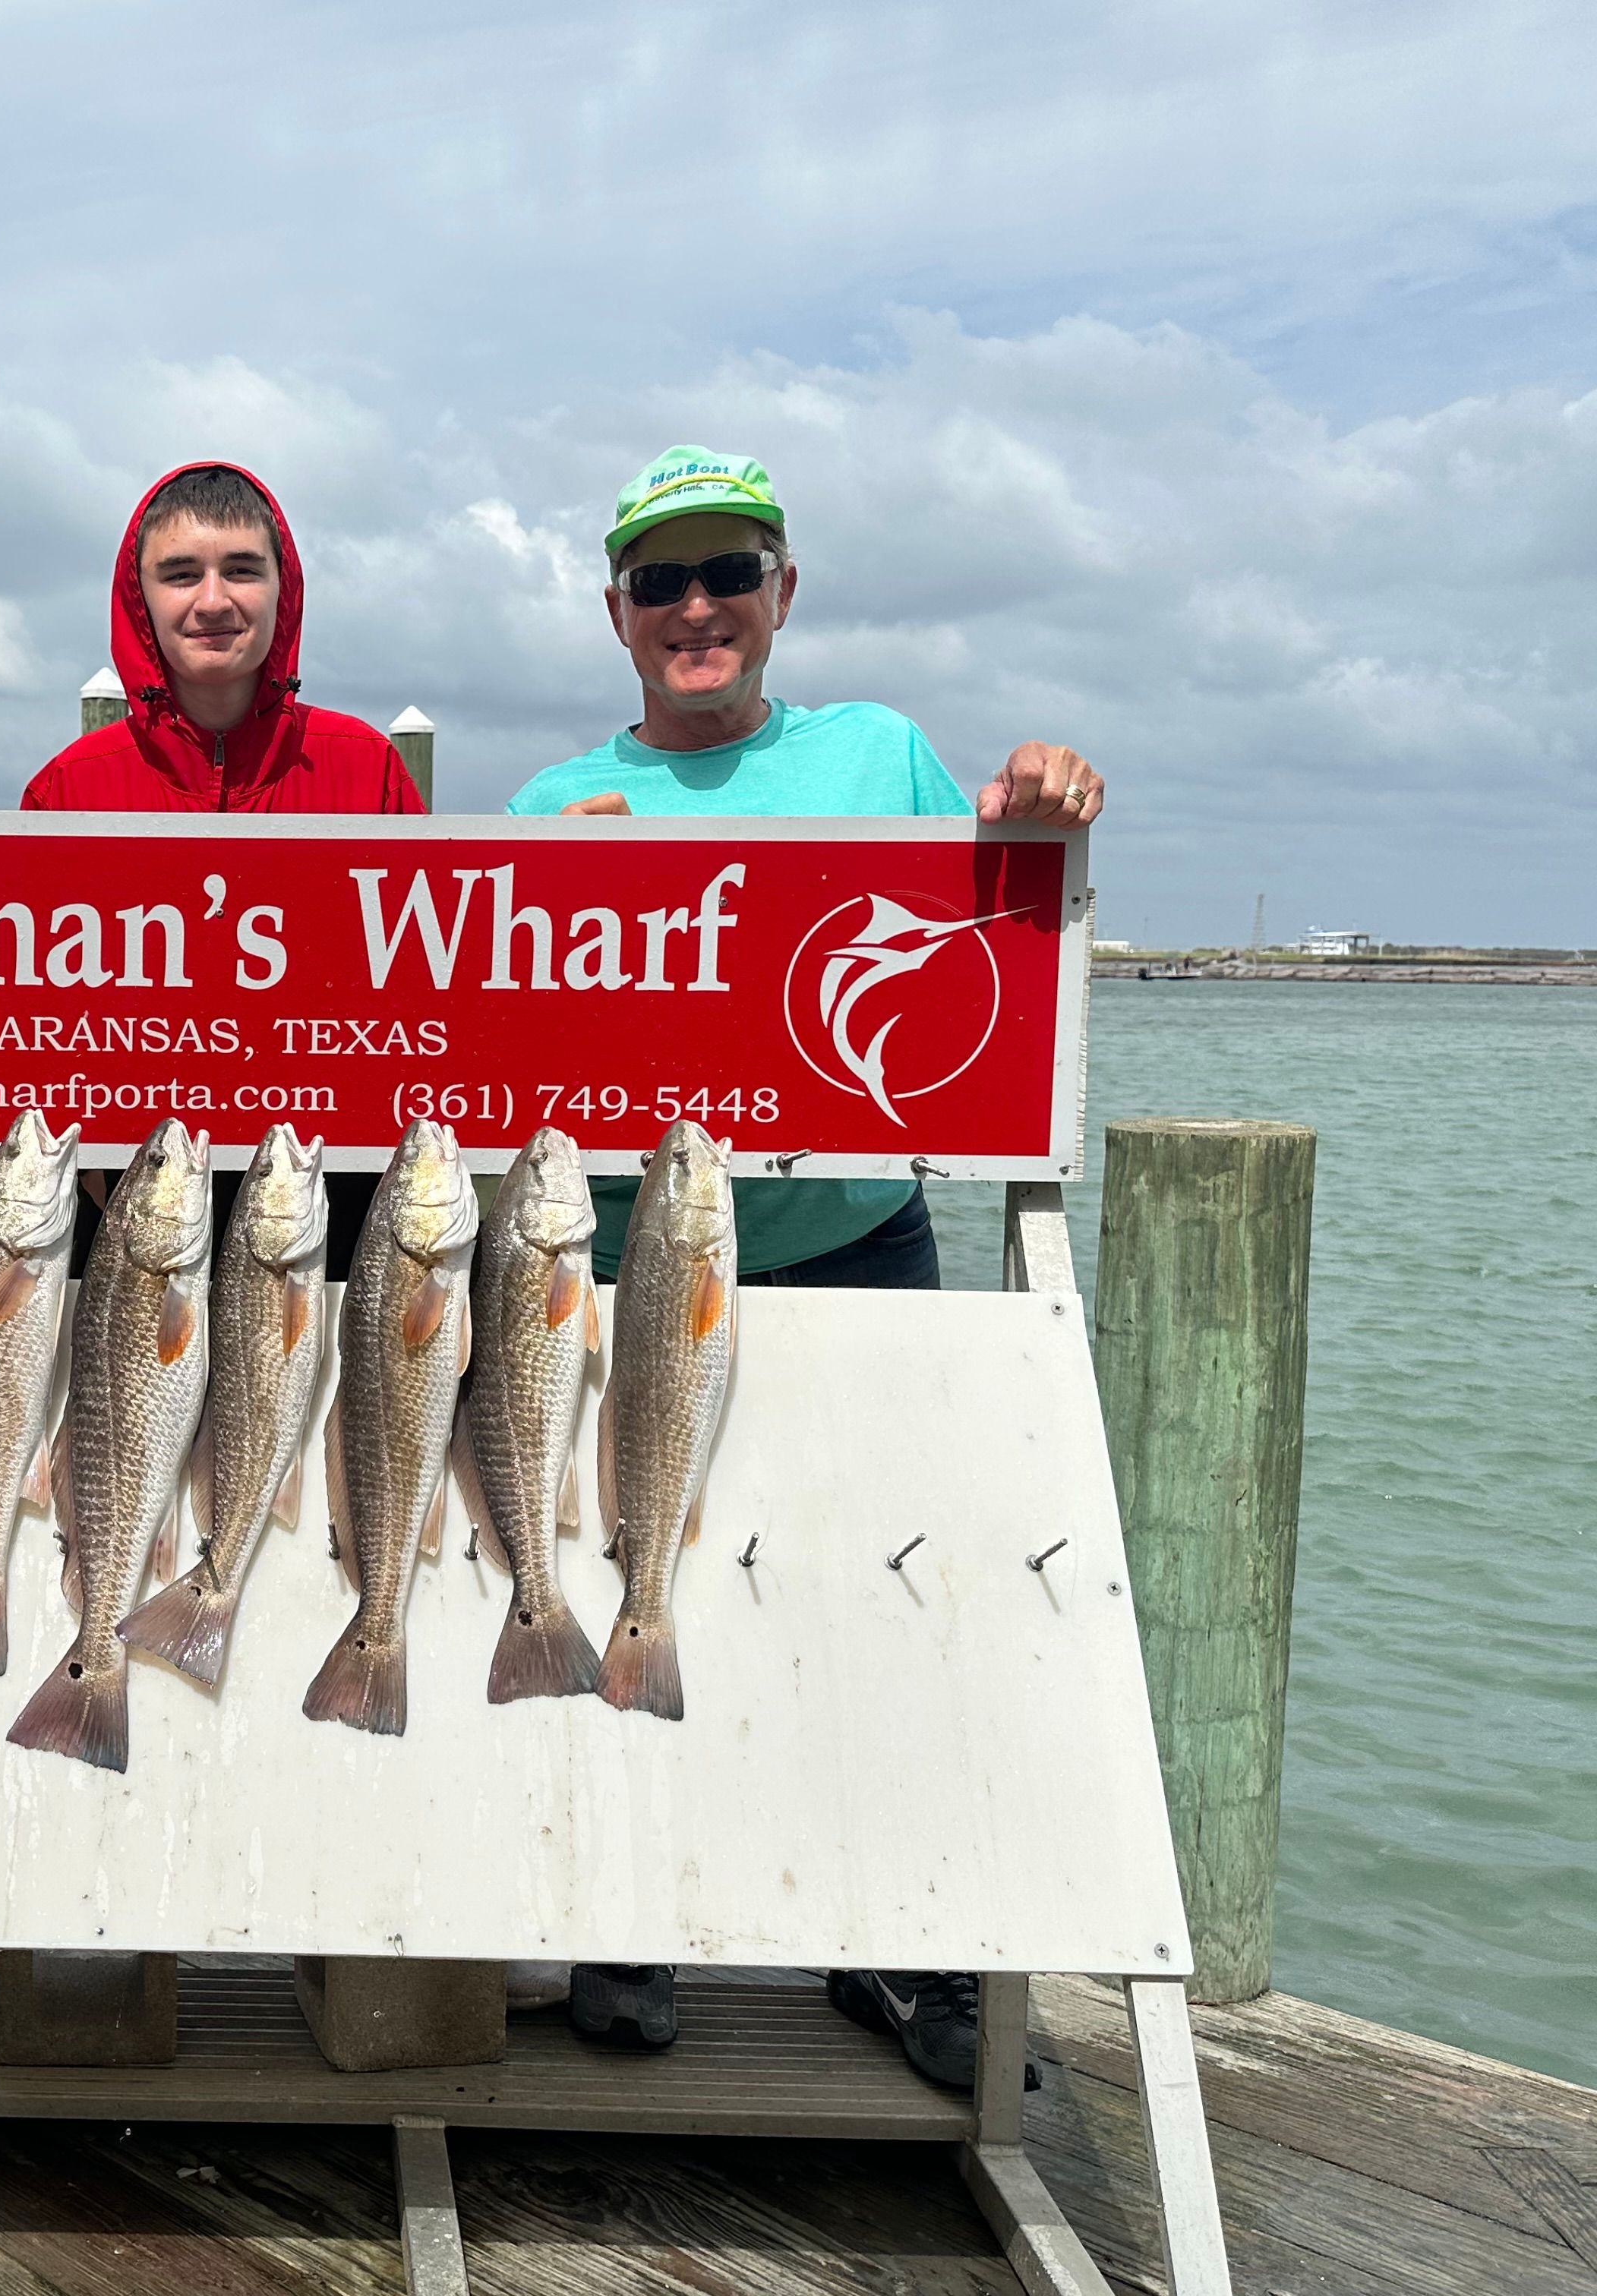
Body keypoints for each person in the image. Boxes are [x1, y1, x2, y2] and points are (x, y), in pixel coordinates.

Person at [508, 446, 1105, 2085]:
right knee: (635, 1562)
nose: (695, 608)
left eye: (726, 574)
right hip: (631, 1277)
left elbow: (993, 913)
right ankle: (625, 1924)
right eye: (660, 583)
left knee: (882, 1593)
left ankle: (898, 1951)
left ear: (783, 592)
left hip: (858, 1251)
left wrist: (1035, 814)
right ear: (617, 613)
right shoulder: (554, 805)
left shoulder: (879, 752)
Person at [25, 460, 424, 1278]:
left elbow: (425, 993)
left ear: (285, 590)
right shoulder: (67, 787)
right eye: (180, 575)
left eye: (242, 569)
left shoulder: (369, 767)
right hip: (130, 1202)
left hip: (323, 1202)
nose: (213, 601)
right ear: (141, 599)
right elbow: (32, 1015)